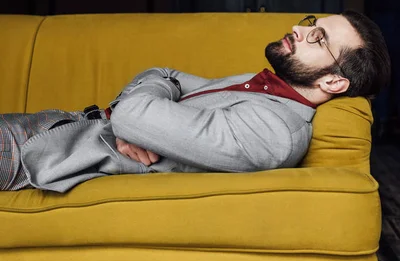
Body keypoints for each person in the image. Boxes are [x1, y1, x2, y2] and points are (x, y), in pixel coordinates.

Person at [0, 11, 390, 193]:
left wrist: (135, 118)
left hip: (47, 156)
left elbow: (138, 111)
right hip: (57, 122)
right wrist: (135, 117)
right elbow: (161, 73)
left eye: (317, 37)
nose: (299, 31)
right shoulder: (264, 85)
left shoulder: (275, 133)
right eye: (310, 22)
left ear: (334, 81)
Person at [370, 0, 400, 141]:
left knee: (384, 79)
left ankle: (381, 123)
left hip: (383, 31)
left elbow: (372, 3)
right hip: (393, 30)